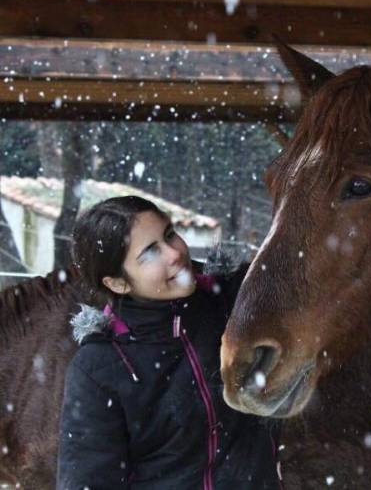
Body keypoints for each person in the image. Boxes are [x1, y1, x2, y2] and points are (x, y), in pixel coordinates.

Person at [57, 196, 282, 489]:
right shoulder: (99, 368)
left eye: (169, 235)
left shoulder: (234, 303)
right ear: (117, 283)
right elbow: (87, 481)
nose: (174, 253)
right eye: (150, 252)